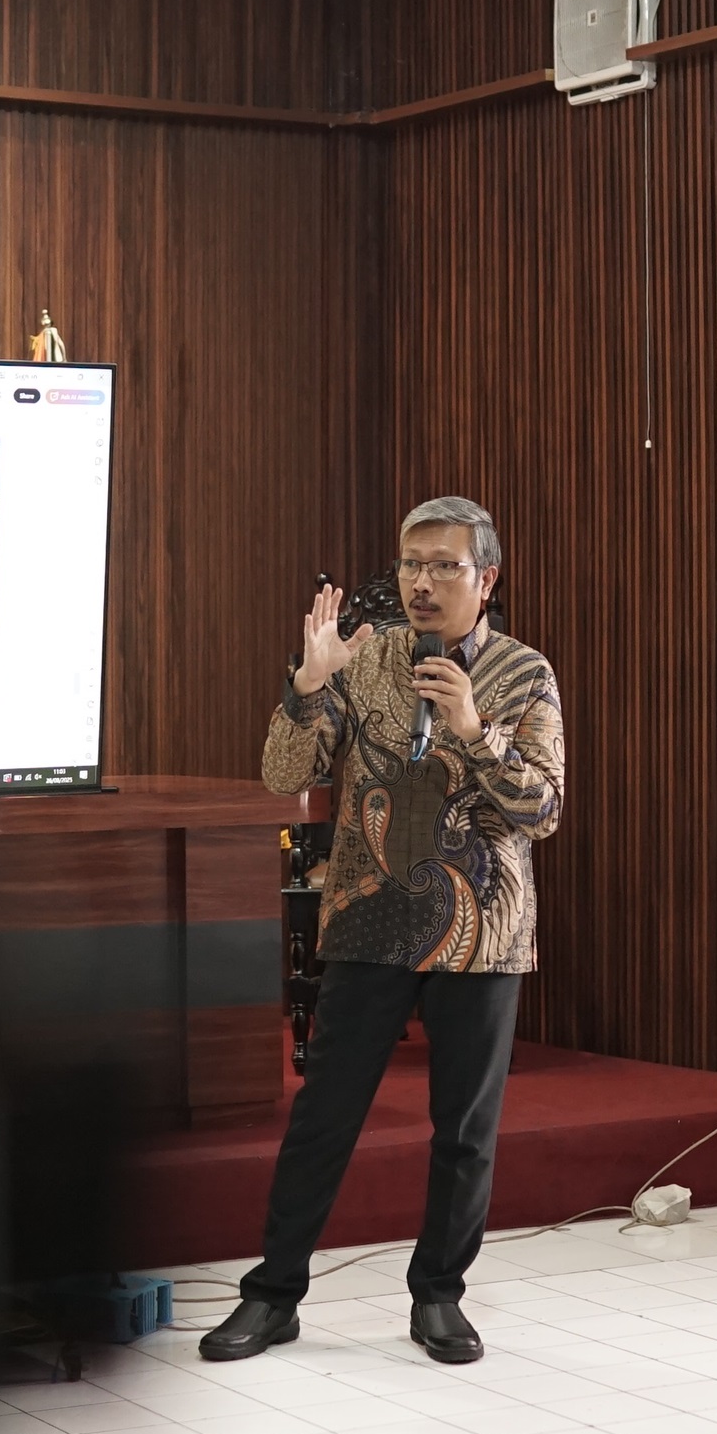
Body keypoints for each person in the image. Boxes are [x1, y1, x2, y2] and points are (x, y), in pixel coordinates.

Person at [198, 497, 563, 1366]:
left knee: (464, 1131)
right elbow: (283, 775)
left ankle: (439, 1295)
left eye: (445, 566)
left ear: (486, 578)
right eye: (411, 565)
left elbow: (543, 810)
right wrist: (308, 685)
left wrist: (474, 731)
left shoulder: (523, 673)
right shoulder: (361, 659)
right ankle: (273, 1294)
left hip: (484, 932)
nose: (422, 583)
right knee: (323, 1117)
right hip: (369, 920)